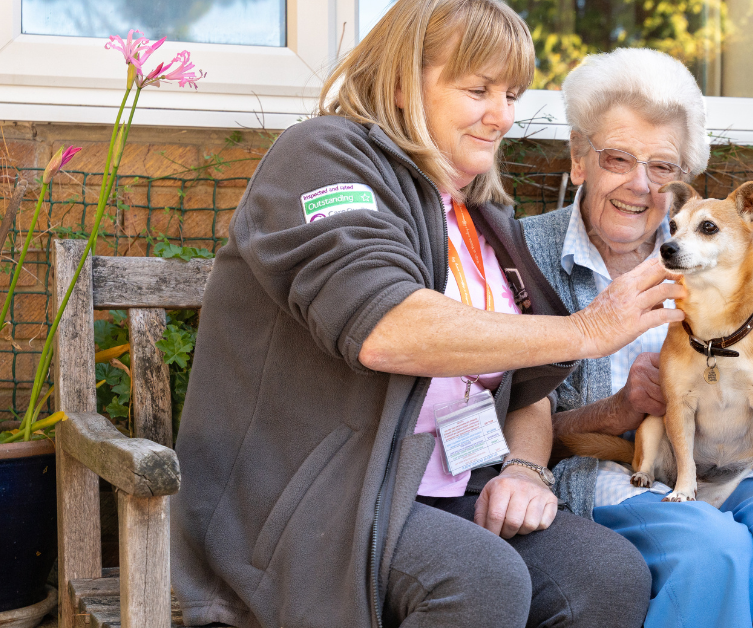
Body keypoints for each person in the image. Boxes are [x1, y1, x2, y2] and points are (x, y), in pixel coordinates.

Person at [170, 2, 681, 627]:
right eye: (478, 90)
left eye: (512, 94)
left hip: (449, 493)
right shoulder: (325, 157)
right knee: (479, 580)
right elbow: (384, 328)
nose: (503, 117)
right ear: (402, 80)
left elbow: (524, 380)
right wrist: (587, 329)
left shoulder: (478, 210)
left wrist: (523, 468)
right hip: (318, 503)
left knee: (604, 574)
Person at [521, 48, 753, 628]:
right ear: (579, 160)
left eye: (662, 168)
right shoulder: (525, 253)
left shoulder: (709, 246)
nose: (640, 185)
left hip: (730, 465)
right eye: (618, 158)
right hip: (616, 477)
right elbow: (499, 419)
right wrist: (616, 410)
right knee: (713, 550)